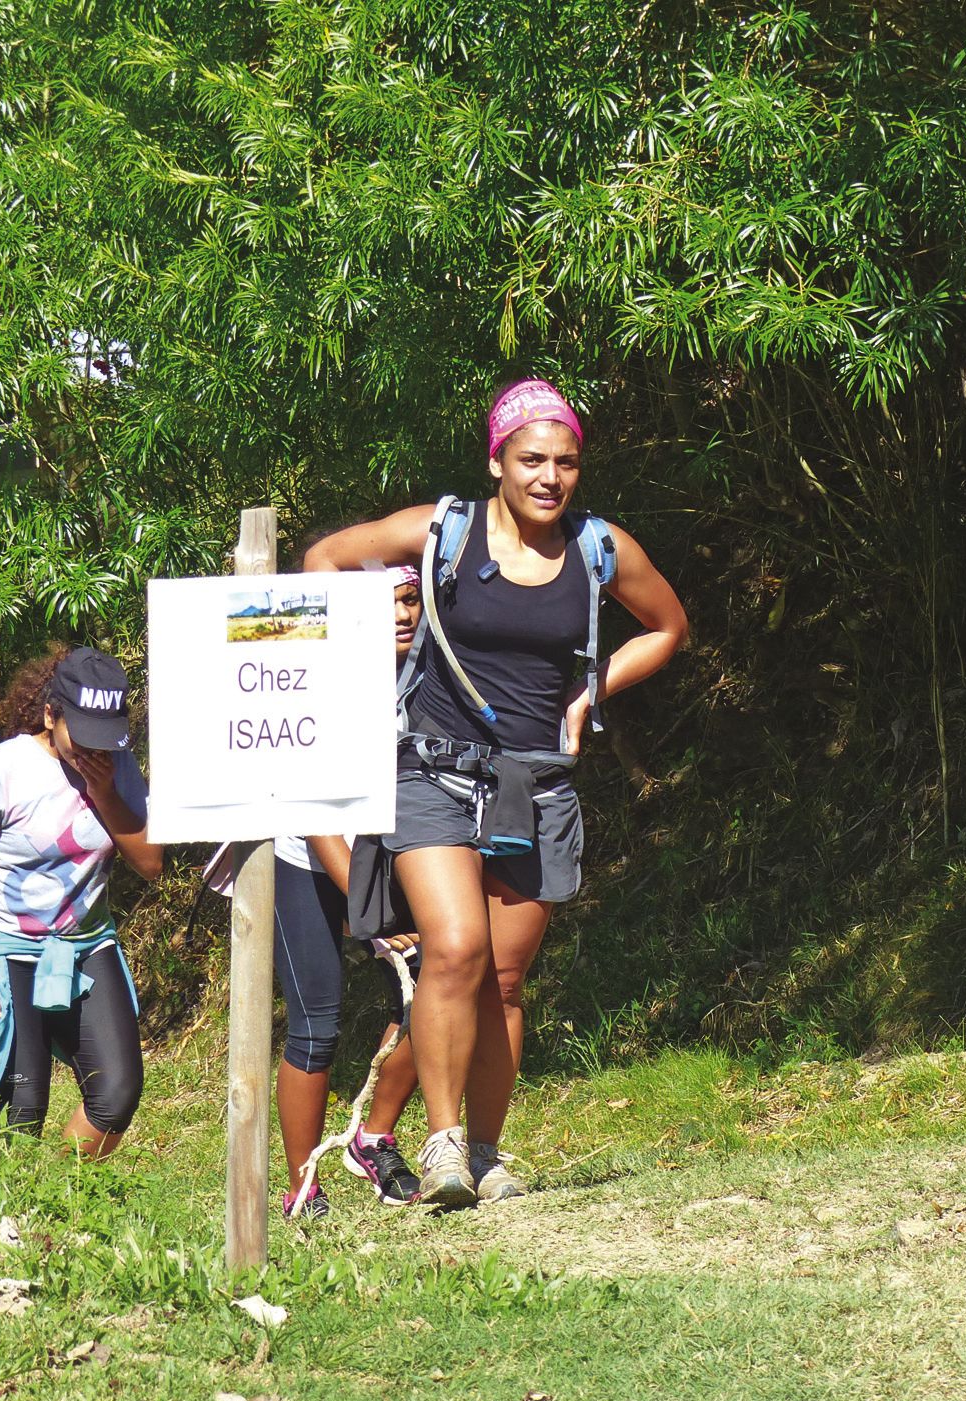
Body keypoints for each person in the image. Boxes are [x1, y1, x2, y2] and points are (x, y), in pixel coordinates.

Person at [304, 379, 687, 1205]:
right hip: (431, 768)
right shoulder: (442, 529)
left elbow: (667, 627)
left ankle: (485, 1152)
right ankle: (440, 1146)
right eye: (531, 460)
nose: (549, 477)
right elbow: (323, 562)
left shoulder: (597, 548)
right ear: (497, 461)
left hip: (535, 781)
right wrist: (361, 650)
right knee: (453, 946)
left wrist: (593, 690)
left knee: (504, 982)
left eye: (566, 462)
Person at [0, 647, 163, 1158]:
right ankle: (3, 1214)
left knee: (117, 1091)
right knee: (22, 1104)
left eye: (105, 738)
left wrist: (103, 790)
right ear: (49, 713)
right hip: (3, 942)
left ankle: (62, 1199)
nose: (94, 749)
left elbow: (150, 863)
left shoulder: (115, 767)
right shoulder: (2, 769)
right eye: (81, 734)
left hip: (84, 942)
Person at [274, 568, 425, 1216]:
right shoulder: (323, 679)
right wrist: (369, 915)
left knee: (437, 985)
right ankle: (302, 1185)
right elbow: (314, 814)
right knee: (317, 1023)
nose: (401, 614)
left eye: (410, 599)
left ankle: (372, 1136)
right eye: (385, 603)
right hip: (307, 851)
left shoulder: (429, 678)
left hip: (393, 851)